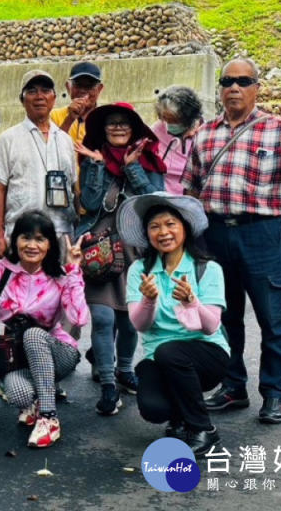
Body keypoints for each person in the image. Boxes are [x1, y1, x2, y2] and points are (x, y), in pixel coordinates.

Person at [183, 58, 281, 424]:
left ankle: (275, 393)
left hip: (260, 233)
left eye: (243, 81)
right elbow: (191, 188)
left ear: (256, 88)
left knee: (272, 317)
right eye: (227, 80)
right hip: (214, 233)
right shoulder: (204, 134)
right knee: (225, 316)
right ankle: (233, 387)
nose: (234, 87)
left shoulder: (278, 128)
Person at [0, 211, 88, 449]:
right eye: (25, 238)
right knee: (19, 395)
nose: (32, 245)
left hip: (57, 352)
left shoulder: (58, 276)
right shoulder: (1, 270)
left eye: (40, 239)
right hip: (16, 357)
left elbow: (79, 317)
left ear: (49, 245)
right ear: (15, 240)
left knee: (34, 334)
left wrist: (74, 271)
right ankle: (37, 400)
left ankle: (49, 418)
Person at [119, 192, 229, 457]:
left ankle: (203, 428)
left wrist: (192, 302)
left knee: (171, 352)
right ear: (147, 234)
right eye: (155, 226)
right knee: (153, 408)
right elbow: (140, 324)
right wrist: (148, 299)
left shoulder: (207, 269)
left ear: (185, 228)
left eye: (170, 224)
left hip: (207, 354)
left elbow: (212, 326)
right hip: (160, 357)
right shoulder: (139, 271)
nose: (163, 232)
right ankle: (179, 415)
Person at [75, 102, 166, 415]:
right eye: (111, 123)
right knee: (102, 317)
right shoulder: (93, 157)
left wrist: (132, 167)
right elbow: (88, 202)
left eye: (123, 124)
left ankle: (125, 369)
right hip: (99, 248)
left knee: (128, 320)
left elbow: (154, 204)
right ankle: (108, 385)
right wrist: (98, 166)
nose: (116, 128)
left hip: (135, 250)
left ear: (134, 129)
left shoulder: (149, 159)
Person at [0, 70, 78, 258]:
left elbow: (72, 186)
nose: (39, 96)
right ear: (22, 99)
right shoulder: (8, 139)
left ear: (54, 98)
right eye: (32, 91)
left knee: (60, 285)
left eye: (45, 91)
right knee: (20, 286)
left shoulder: (65, 140)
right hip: (21, 233)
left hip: (61, 231)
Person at [152, 86, 203, 195]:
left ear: (188, 117)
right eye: (165, 119)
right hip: (162, 196)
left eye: (175, 120)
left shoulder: (203, 134)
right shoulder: (157, 130)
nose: (169, 124)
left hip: (192, 197)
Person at [50, 61, 104, 145]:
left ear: (99, 89)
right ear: (68, 87)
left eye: (89, 86)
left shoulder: (106, 118)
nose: (82, 90)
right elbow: (49, 149)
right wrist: (69, 119)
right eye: (78, 85)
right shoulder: (53, 116)